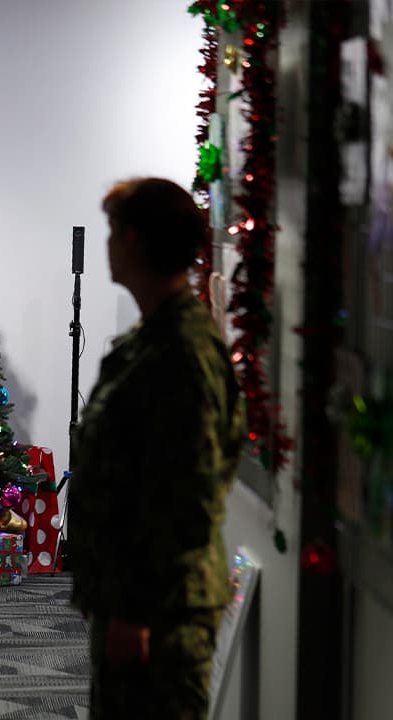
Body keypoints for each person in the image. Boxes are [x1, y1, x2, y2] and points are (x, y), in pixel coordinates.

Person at [66, 177, 246, 719]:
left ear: (138, 242)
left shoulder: (181, 353)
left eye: (114, 231)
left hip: (161, 613)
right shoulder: (153, 340)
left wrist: (135, 613)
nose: (107, 245)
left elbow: (188, 496)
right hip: (131, 599)